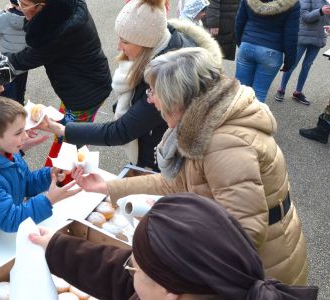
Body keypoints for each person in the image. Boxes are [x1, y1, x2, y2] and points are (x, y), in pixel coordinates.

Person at [73, 47, 308, 285]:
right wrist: (110, 187)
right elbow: (179, 181)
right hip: (257, 259)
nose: (151, 99)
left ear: (178, 99)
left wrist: (173, 246)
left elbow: (245, 232)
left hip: (266, 268)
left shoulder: (225, 144)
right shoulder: (205, 123)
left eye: (154, 91)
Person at [38, 0, 222, 170]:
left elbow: (121, 131)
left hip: (160, 160)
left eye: (125, 41)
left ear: (145, 43)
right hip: (154, 146)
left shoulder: (168, 78)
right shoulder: (161, 45)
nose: (118, 46)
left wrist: (61, 129)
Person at [29, 193, 319, 300]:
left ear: (170, 292)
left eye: (136, 267)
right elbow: (117, 274)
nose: (129, 268)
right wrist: (54, 246)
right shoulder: (220, 279)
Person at [0, 95, 80, 249]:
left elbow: (25, 183)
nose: (26, 136)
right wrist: (48, 201)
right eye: (18, 133)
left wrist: (49, 175)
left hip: (1, 238)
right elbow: (11, 219)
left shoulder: (7, 151)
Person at [7, 0, 112, 167]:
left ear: (41, 6)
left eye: (23, 4)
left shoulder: (61, 34)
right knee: (66, 128)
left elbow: (26, 59)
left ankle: (63, 178)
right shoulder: (63, 10)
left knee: (70, 142)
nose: (20, 7)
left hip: (85, 95)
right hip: (80, 85)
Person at [234, 0, 300, 102]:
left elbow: (239, 22)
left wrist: (241, 43)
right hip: (272, 51)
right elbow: (291, 35)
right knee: (259, 94)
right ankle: (254, 117)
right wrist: (289, 62)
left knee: (240, 91)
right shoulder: (292, 3)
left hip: (247, 44)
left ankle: (235, 117)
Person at [273, 0, 330, 105]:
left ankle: (298, 92)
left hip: (319, 38)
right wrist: (320, 11)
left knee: (307, 65)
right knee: (292, 64)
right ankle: (281, 89)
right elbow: (304, 17)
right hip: (303, 37)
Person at [0, 0, 29, 104]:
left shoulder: (5, 17)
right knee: (20, 91)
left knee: (7, 96)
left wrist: (3, 11)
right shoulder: (33, 19)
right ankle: (20, 106)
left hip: (6, 65)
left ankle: (9, 113)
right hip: (23, 63)